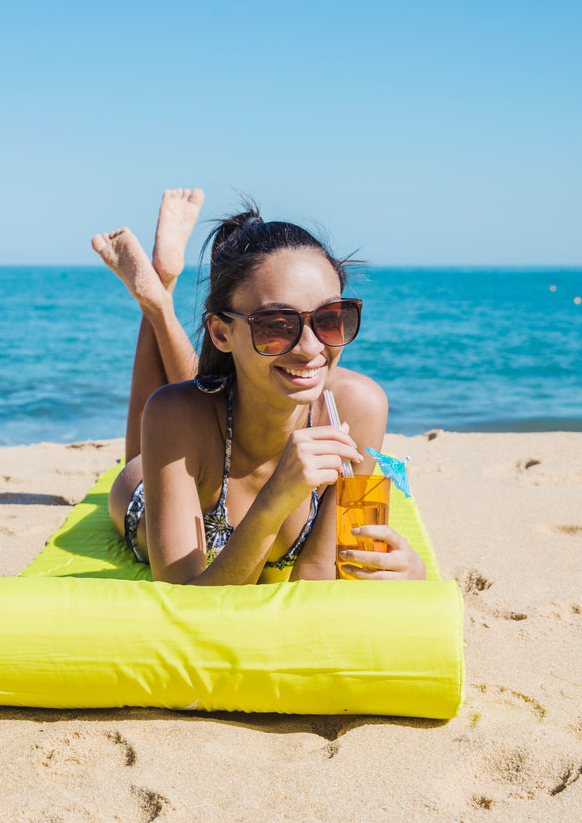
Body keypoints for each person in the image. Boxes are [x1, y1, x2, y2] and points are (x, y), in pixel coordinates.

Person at [91, 188, 425, 585]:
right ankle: (157, 298)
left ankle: (159, 287)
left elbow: (316, 577)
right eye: (276, 326)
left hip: (215, 421)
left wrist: (413, 572)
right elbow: (185, 599)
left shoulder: (359, 408)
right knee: (172, 414)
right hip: (142, 490)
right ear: (219, 331)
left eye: (331, 318)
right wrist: (273, 502)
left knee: (214, 390)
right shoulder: (171, 414)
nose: (311, 348)